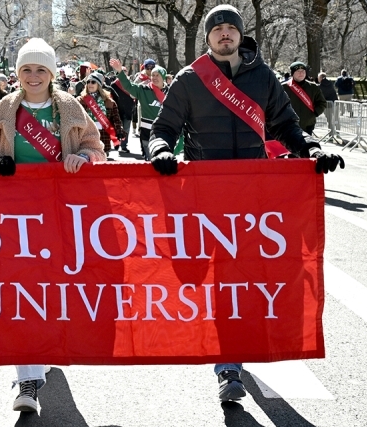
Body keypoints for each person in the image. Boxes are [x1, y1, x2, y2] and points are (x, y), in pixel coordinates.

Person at [145, 4, 344, 402]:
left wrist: (313, 149)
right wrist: (161, 151)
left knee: (249, 279)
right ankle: (228, 367)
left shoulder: (264, 77)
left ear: (240, 34)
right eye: (216, 29)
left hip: (254, 199)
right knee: (222, 282)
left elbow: (286, 124)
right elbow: (162, 129)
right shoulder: (189, 80)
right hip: (207, 197)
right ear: (207, 37)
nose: (224, 34)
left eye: (230, 28)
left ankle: (240, 350)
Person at [0, 38, 106, 412]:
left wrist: (83, 158)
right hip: (11, 218)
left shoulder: (70, 109)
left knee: (51, 289)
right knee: (18, 290)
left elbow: (97, 150)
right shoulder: (4, 109)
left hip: (60, 214)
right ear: (17, 73)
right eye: (26, 69)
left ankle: (47, 348)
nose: (32, 76)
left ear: (51, 73)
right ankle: (27, 378)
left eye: (40, 69)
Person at [109, 58, 168, 160]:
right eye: (152, 75)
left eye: (157, 75)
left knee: (163, 160)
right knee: (150, 160)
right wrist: (120, 72)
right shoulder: (143, 89)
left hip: (164, 132)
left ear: (163, 77)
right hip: (147, 131)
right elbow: (128, 86)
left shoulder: (171, 92)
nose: (154, 77)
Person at [77, 71, 126, 153]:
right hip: (85, 137)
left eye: (93, 82)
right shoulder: (80, 100)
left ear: (99, 85)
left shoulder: (109, 102)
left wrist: (119, 132)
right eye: (88, 82)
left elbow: (116, 119)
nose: (90, 84)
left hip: (103, 137)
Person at [282, 62, 326, 135]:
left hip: (307, 125)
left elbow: (322, 103)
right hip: (288, 125)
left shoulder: (313, 87)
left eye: (303, 71)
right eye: (298, 71)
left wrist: (313, 114)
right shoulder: (284, 87)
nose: (301, 73)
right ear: (293, 73)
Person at [109, 66, 136, 153]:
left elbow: (134, 96)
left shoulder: (130, 84)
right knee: (117, 127)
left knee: (126, 128)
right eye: (121, 72)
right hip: (117, 110)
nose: (123, 74)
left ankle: (124, 145)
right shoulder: (113, 85)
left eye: (125, 72)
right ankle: (116, 143)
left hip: (128, 109)